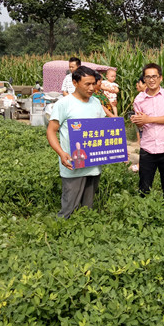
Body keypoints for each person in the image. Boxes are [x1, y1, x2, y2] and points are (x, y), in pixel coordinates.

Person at [47, 66, 105, 218]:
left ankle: (84, 235)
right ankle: (60, 232)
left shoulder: (96, 102)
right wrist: (61, 153)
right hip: (73, 164)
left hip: (93, 165)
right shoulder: (64, 104)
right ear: (75, 83)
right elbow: (51, 131)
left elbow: (103, 130)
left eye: (93, 83)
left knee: (88, 210)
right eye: (87, 84)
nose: (92, 88)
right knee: (69, 208)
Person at [130, 63, 164, 203]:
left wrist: (148, 119)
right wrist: (138, 121)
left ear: (160, 78)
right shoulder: (139, 99)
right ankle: (144, 216)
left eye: (154, 76)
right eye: (148, 77)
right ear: (144, 79)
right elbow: (141, 124)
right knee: (144, 187)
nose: (151, 80)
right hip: (147, 148)